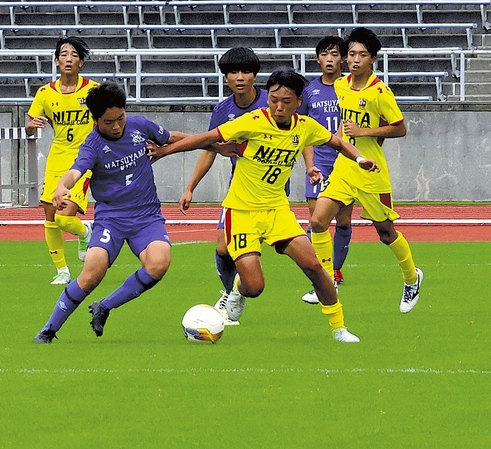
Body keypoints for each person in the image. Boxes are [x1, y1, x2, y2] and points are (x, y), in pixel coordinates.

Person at [150, 70, 380, 343]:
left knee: (315, 268)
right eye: (273, 100)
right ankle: (238, 289)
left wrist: (360, 159)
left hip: (277, 211)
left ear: (298, 102)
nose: (278, 106)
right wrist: (164, 151)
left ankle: (339, 328)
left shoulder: (305, 126)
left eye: (286, 101)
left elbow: (338, 142)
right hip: (242, 212)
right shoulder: (254, 122)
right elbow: (207, 138)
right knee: (255, 287)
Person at [33, 82, 189, 344]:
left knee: (159, 263)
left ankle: (104, 306)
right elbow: (76, 171)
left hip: (146, 216)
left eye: (120, 118)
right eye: (109, 122)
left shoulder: (140, 125)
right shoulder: (91, 145)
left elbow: (172, 137)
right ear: (95, 120)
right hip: (111, 220)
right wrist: (62, 185)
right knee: (92, 273)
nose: (117, 126)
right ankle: (48, 330)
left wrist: (213, 142)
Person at [309, 28, 424, 313]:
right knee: (318, 222)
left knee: (385, 232)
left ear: (373, 58)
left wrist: (366, 131)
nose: (355, 59)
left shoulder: (380, 91)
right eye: (351, 54)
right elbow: (344, 122)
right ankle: (327, 282)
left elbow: (400, 128)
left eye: (362, 54)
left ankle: (412, 278)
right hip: (345, 167)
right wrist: (339, 142)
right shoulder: (341, 86)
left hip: (372, 173)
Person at [179, 47, 268, 326]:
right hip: (237, 188)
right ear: (225, 77)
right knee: (221, 248)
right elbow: (209, 148)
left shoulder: (271, 102)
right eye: (233, 72)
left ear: (255, 75)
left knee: (252, 251)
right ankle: (231, 294)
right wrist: (190, 186)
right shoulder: (222, 110)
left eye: (245, 71)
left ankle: (239, 292)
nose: (240, 77)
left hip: (269, 190)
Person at [25, 37, 97, 285]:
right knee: (49, 215)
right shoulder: (45, 93)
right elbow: (29, 125)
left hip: (83, 160)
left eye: (74, 54)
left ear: (81, 63)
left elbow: (109, 120)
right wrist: (31, 126)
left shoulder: (93, 91)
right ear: (56, 61)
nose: (68, 58)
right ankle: (62, 270)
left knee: (64, 217)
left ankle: (85, 231)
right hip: (56, 158)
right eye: (64, 54)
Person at [299, 36, 354, 304]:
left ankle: (336, 269)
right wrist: (309, 164)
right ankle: (322, 276)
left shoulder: (351, 88)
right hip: (319, 163)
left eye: (334, 54)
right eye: (324, 54)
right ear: (318, 59)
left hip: (345, 163)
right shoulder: (309, 91)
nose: (329, 59)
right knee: (316, 222)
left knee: (343, 220)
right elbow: (303, 131)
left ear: (343, 58)